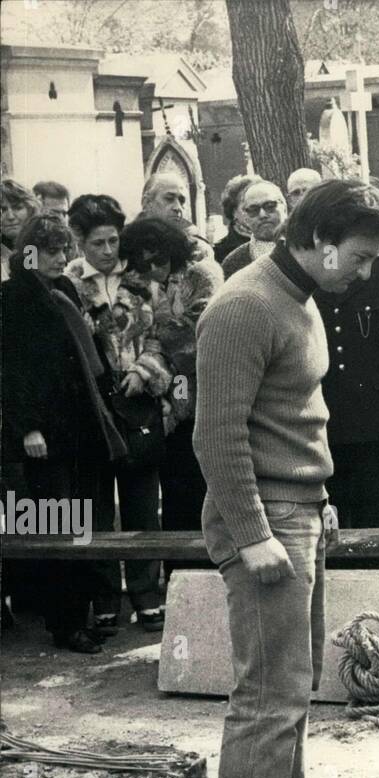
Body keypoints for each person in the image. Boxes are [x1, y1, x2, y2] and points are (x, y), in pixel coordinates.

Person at [193, 180, 379, 778]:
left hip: (296, 506)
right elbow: (215, 436)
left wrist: (320, 496)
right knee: (268, 688)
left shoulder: (299, 296)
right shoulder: (244, 306)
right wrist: (253, 535)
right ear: (320, 240)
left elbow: (291, 416)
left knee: (296, 678)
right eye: (362, 258)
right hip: (264, 519)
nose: (366, 273)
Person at [1, 214, 127, 652]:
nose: (59, 258)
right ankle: (65, 623)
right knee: (56, 524)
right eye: (50, 250)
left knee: (82, 523)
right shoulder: (12, 296)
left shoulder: (63, 289)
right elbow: (12, 372)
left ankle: (81, 614)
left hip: (78, 428)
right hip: (44, 434)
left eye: (62, 250)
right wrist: (28, 428)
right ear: (29, 253)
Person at [67, 195, 170, 635]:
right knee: (94, 506)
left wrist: (146, 371)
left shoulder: (141, 280)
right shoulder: (69, 283)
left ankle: (146, 594)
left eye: (113, 240)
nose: (108, 251)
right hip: (91, 407)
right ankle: (104, 595)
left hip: (137, 401)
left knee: (142, 500)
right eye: (97, 243)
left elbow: (161, 334)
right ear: (79, 242)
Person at [120, 217, 223, 554]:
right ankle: (179, 573)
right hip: (171, 399)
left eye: (159, 260)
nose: (153, 268)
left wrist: (152, 358)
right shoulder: (146, 284)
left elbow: (196, 338)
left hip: (203, 393)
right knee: (176, 492)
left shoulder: (201, 275)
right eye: (144, 262)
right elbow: (147, 336)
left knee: (204, 493)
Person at [314, 242, 379, 532]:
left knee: (374, 504)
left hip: (372, 410)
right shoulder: (313, 265)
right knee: (330, 507)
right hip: (324, 409)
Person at [139, 172, 213, 261]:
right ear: (146, 202)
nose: (178, 208)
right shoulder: (125, 244)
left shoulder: (197, 250)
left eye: (182, 201)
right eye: (169, 199)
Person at [222, 180, 286, 279]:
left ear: (284, 208)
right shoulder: (233, 263)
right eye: (253, 210)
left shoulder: (308, 247)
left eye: (269, 206)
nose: (262, 215)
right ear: (246, 217)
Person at [2, 179, 40, 283]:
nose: (10, 216)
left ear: (30, 210)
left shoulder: (41, 248)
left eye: (17, 208)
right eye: (3, 210)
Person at [214, 174, 257, 264]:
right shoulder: (218, 252)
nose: (257, 209)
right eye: (248, 203)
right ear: (234, 211)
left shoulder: (281, 242)